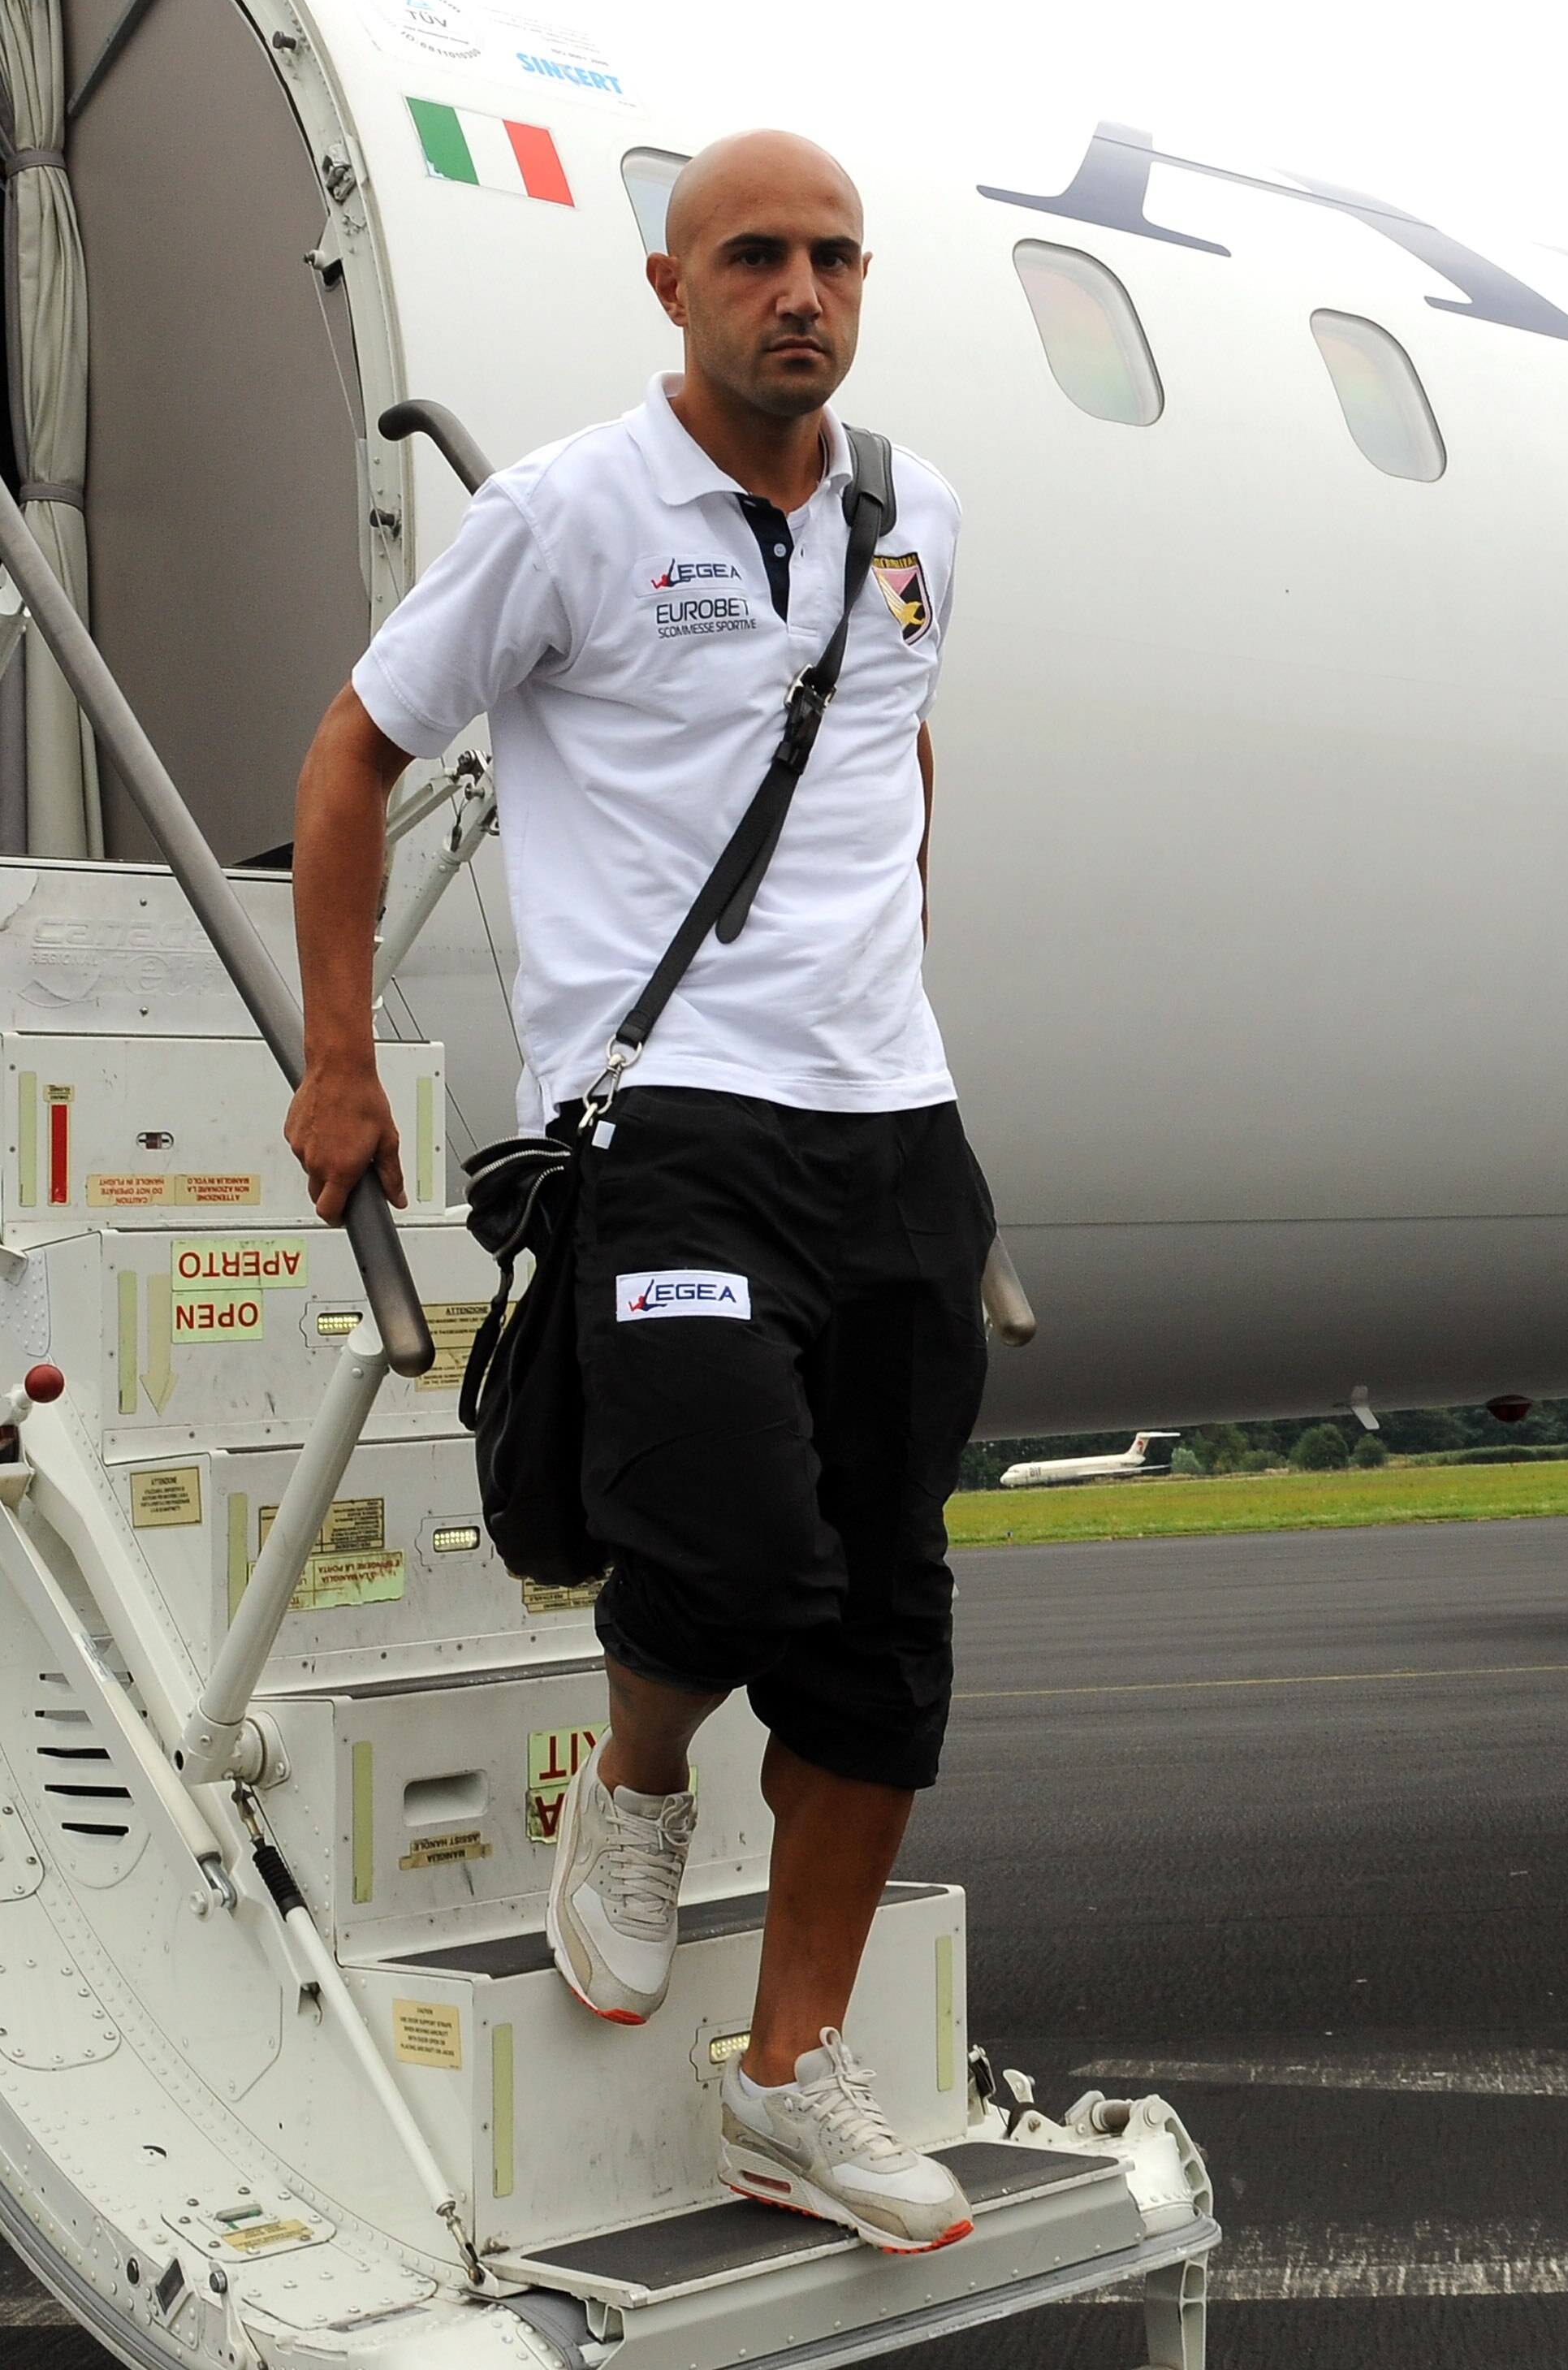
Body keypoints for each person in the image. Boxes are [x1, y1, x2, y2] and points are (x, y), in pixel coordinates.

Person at [286, 128, 994, 2255]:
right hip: (663, 1130)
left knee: (888, 1631)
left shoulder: (915, 517)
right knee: (733, 1536)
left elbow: (890, 743)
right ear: (676, 286)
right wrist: (337, 1054)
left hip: (891, 1138)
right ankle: (646, 1779)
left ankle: (786, 2080)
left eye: (837, 259)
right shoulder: (565, 514)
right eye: (758, 257)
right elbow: (350, 758)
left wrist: (885, 978)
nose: (804, 291)